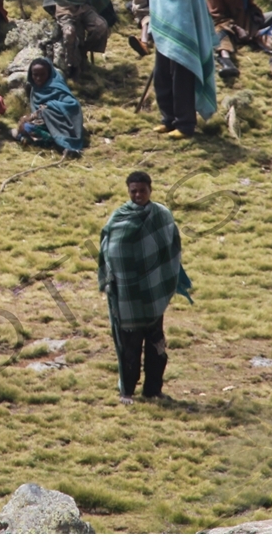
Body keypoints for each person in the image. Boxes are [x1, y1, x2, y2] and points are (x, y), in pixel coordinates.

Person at [98, 170, 193, 403]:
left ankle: (153, 390)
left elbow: (171, 249)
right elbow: (108, 249)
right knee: (129, 349)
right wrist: (111, 279)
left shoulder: (161, 216)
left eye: (142, 190)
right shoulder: (119, 217)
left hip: (152, 296)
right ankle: (127, 391)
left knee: (156, 347)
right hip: (127, 298)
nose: (138, 195)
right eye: (133, 191)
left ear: (150, 190)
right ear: (128, 191)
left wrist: (164, 277)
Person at [148, 0, 217, 138]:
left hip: (186, 41)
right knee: (162, 79)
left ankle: (185, 124)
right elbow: (157, 7)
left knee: (182, 84)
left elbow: (196, 12)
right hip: (164, 39)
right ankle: (167, 119)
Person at [204, 0, 264, 81]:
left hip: (246, 21)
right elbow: (217, 17)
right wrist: (236, 28)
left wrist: (256, 14)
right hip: (226, 25)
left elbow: (250, 5)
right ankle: (225, 60)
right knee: (220, 33)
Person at [16, 56, 85, 157]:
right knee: (26, 127)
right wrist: (32, 117)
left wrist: (48, 107)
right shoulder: (35, 89)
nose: (38, 78)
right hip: (45, 125)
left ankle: (64, 145)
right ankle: (52, 141)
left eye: (42, 74)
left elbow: (73, 105)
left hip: (62, 126)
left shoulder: (56, 87)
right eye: (35, 75)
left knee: (27, 129)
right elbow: (37, 112)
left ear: (49, 74)